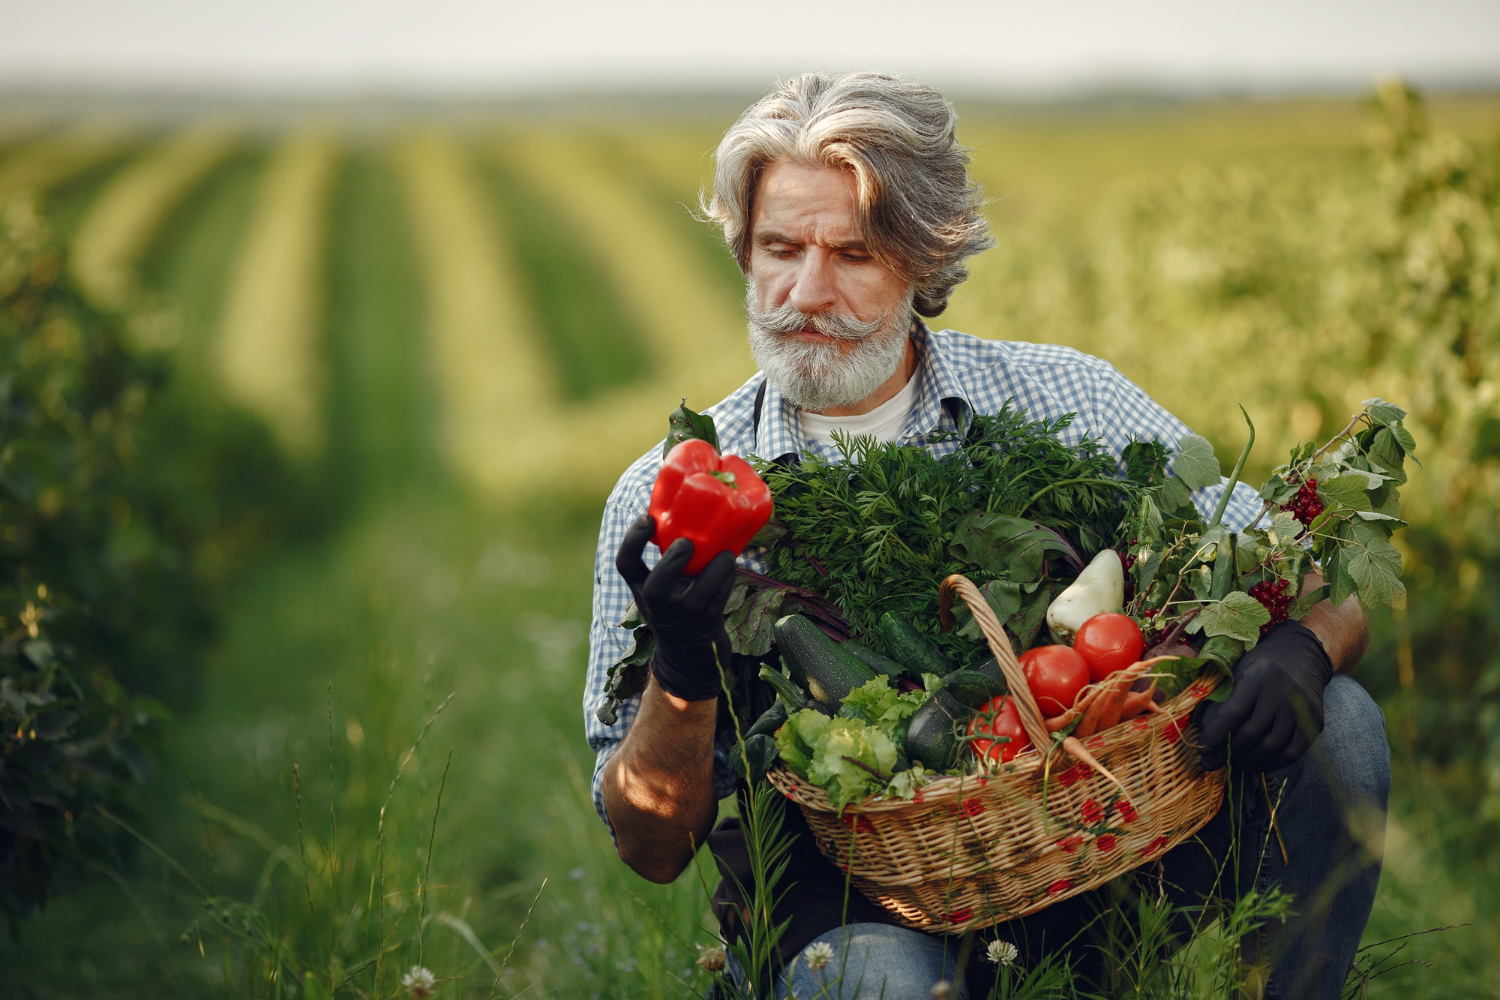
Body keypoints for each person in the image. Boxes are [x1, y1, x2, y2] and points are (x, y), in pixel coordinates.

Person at [584, 71, 1389, 999]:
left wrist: (1303, 645)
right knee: (875, 982)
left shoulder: (1067, 403)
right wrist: (681, 674)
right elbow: (650, 846)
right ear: (744, 253)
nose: (808, 291)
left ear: (923, 260)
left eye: (854, 255)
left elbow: (1329, 585)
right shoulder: (665, 494)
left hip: (1098, 859)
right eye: (779, 249)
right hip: (847, 914)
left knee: (1343, 723)